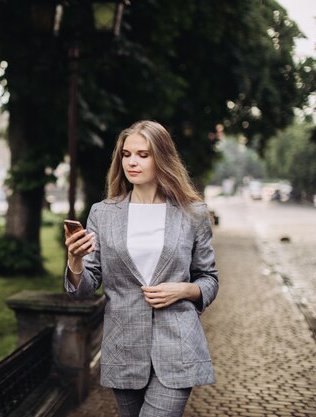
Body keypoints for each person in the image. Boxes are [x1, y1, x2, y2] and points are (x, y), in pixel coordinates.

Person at [64, 120, 219, 417]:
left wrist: (185, 290)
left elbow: (209, 278)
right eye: (126, 154)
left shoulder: (192, 213)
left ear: (162, 158)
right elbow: (84, 289)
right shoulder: (103, 213)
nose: (132, 162)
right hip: (123, 348)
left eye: (143, 155)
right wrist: (75, 261)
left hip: (178, 347)